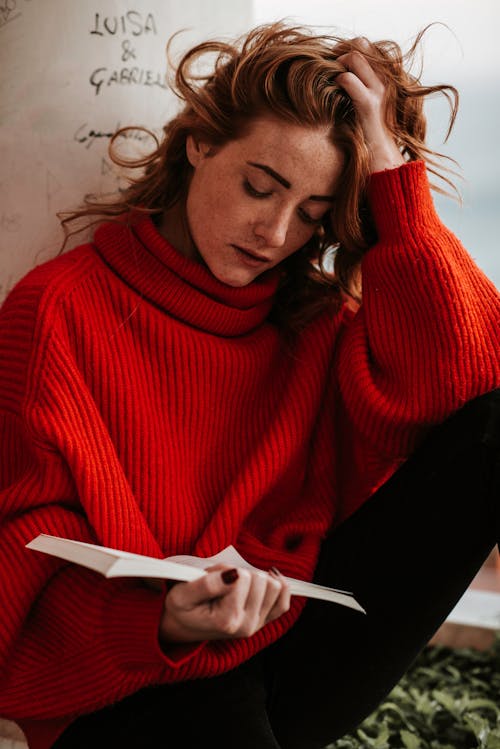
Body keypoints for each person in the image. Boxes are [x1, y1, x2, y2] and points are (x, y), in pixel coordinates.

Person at [0, 21, 498, 749]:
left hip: (292, 639)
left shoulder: (315, 323)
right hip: (128, 671)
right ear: (200, 142)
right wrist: (163, 620)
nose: (273, 232)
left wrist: (390, 165)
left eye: (313, 215)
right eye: (259, 187)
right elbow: (21, 545)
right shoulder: (58, 309)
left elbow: (469, 377)